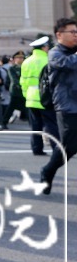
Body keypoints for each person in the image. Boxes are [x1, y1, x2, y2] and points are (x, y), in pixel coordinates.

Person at [40, 18, 77, 194]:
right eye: (73, 32)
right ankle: (48, 171)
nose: (76, 35)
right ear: (59, 35)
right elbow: (67, 64)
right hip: (67, 106)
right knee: (68, 147)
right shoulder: (55, 53)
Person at [21, 35, 59, 156]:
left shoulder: (26, 61)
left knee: (35, 125)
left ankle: (36, 149)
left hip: (31, 98)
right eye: (47, 47)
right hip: (46, 98)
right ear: (43, 48)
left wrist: (26, 95)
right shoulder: (48, 60)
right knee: (51, 124)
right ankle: (56, 149)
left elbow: (23, 81)